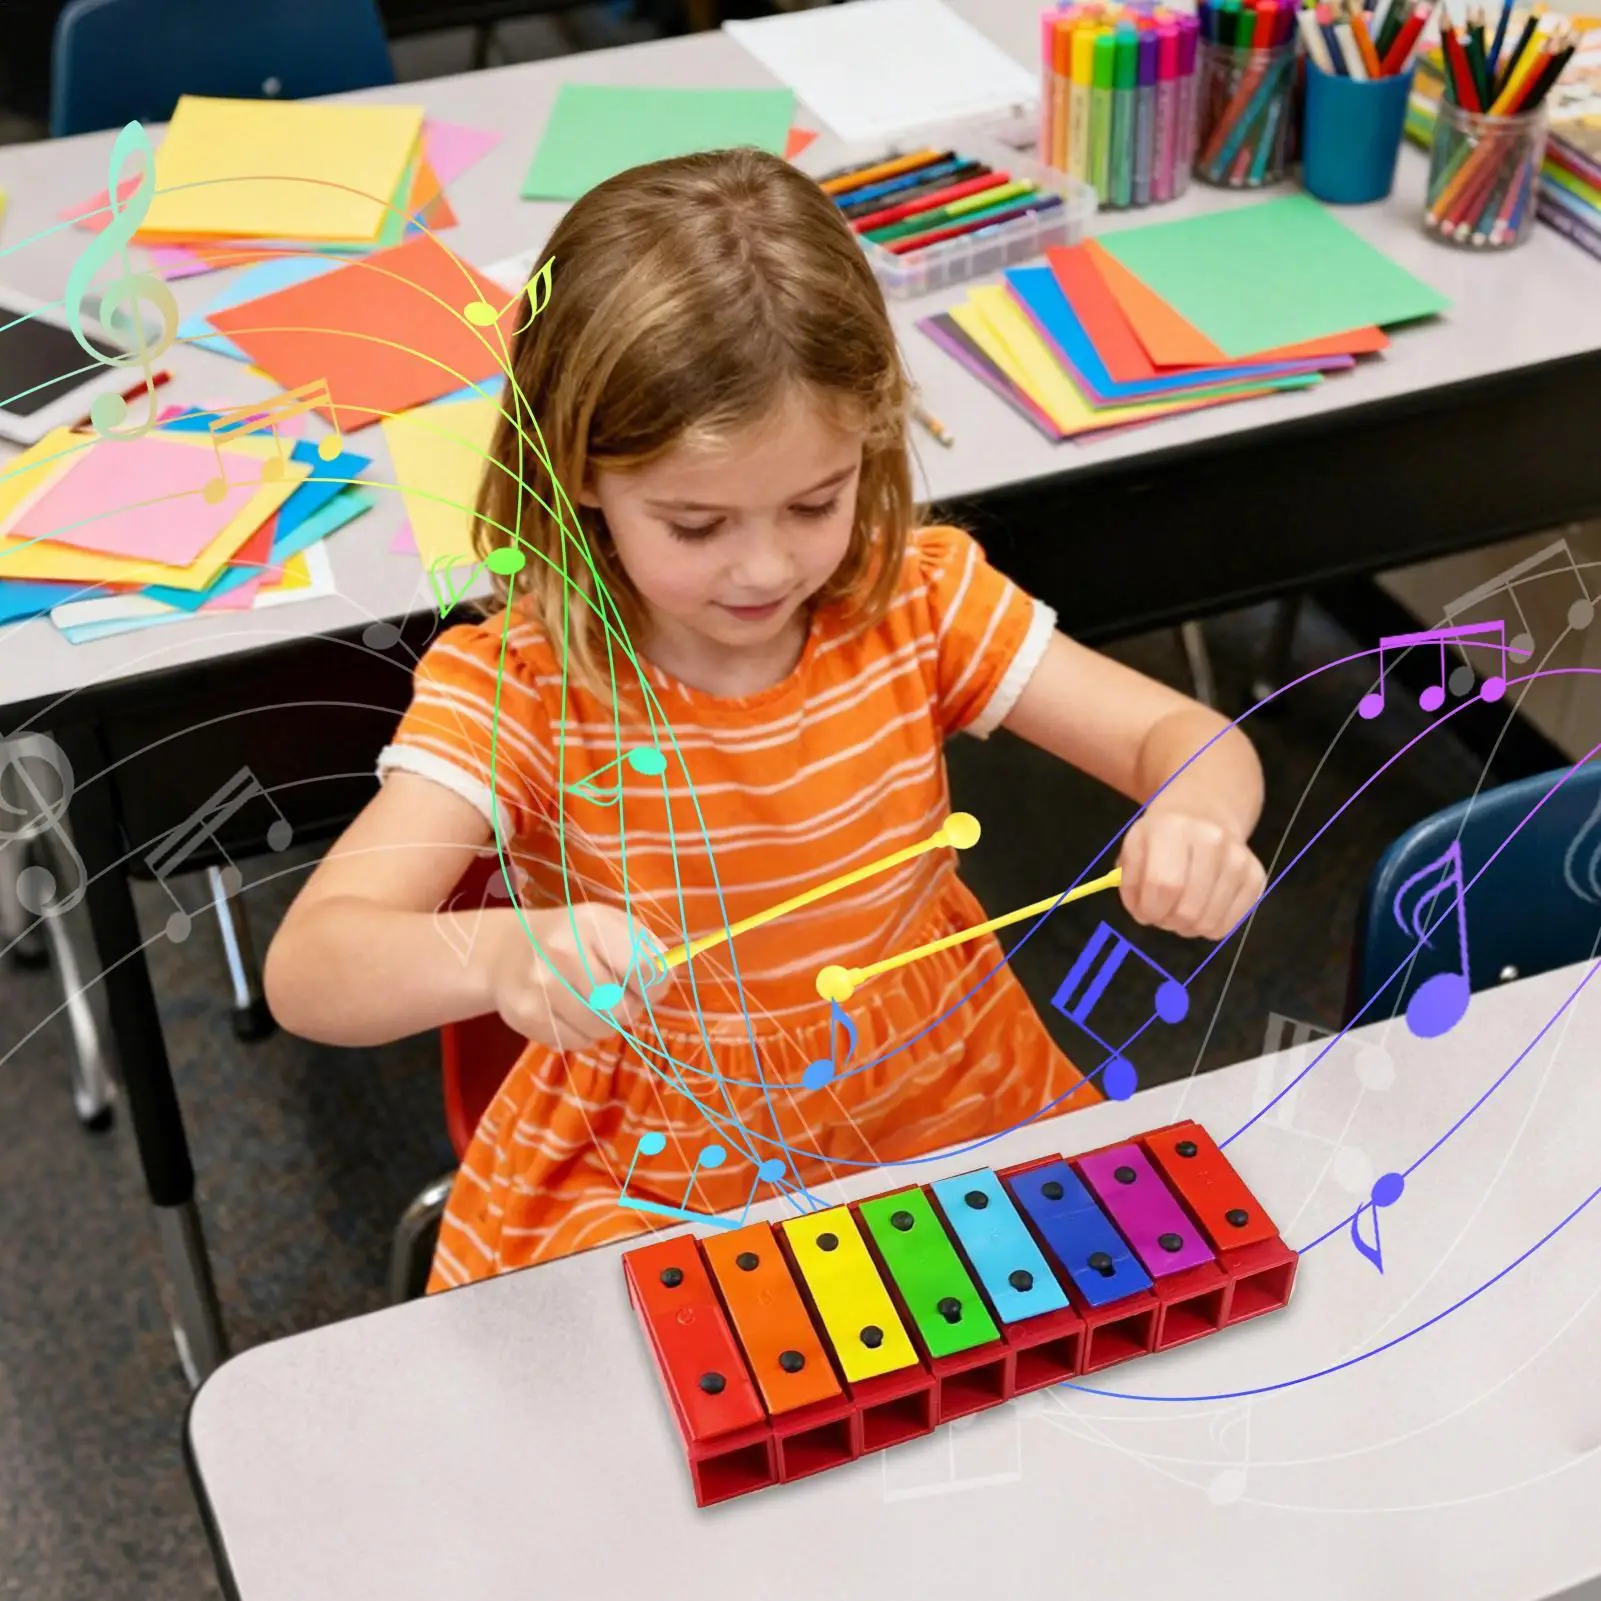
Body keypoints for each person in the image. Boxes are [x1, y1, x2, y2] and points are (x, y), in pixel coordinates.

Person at [263, 148, 1266, 1292]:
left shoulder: (915, 600)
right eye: (695, 523)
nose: (763, 565)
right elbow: (312, 963)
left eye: (813, 502)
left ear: (869, 445)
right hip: (663, 1167)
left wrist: (1195, 814)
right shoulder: (524, 685)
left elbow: (1185, 738)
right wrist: (502, 949)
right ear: (577, 466)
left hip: (934, 1096)